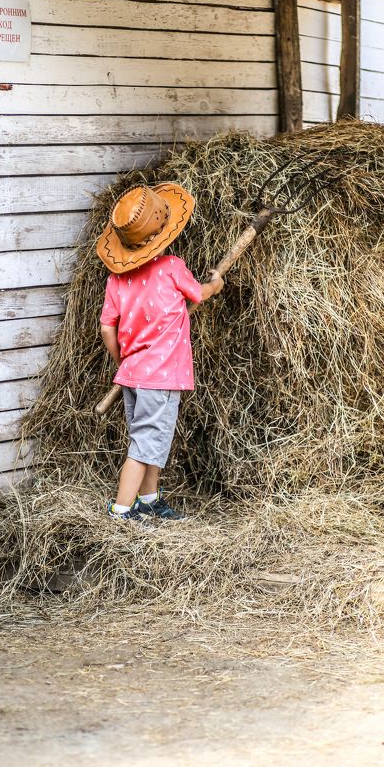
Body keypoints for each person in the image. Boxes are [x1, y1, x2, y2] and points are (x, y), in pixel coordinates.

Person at [97, 183, 224, 521]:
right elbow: (198, 294)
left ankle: (149, 498)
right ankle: (122, 509)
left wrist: (122, 360)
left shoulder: (115, 280)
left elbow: (107, 327)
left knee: (149, 440)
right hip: (162, 376)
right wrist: (216, 284)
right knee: (143, 445)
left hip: (133, 375)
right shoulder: (171, 267)